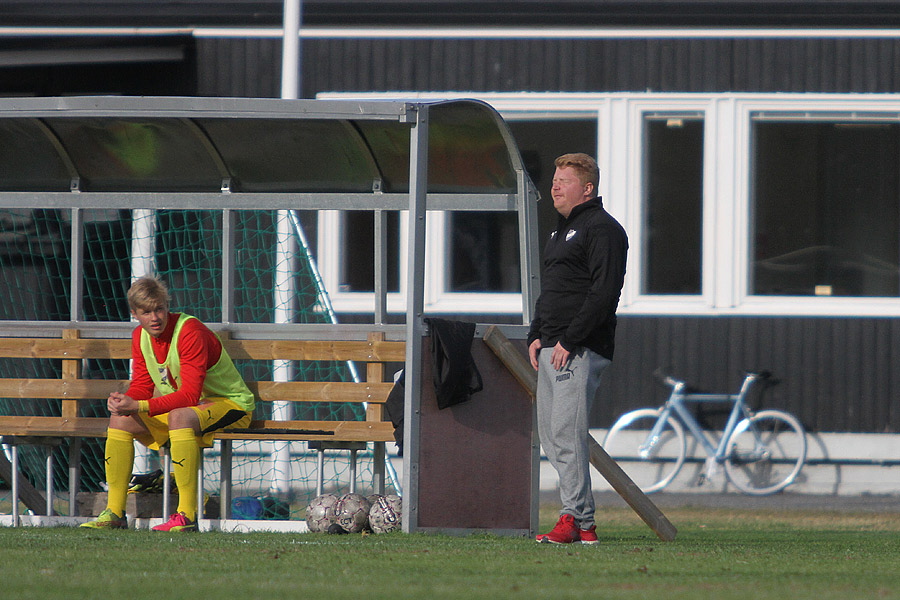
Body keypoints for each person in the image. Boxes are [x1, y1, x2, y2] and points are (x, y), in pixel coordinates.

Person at [81, 275, 255, 532]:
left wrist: (139, 406)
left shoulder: (189, 331)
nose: (155, 318)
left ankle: (187, 515)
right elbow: (142, 385)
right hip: (186, 410)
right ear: (135, 314)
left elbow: (189, 396)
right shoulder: (140, 336)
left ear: (167, 306)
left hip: (231, 406)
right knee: (119, 419)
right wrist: (125, 400)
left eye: (160, 309)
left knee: (180, 416)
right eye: (147, 312)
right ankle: (115, 513)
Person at [528, 153, 628, 544]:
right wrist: (538, 332)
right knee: (553, 437)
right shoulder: (558, 231)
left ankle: (574, 518)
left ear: (587, 188)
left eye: (564, 180)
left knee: (568, 435)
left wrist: (570, 339)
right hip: (553, 346)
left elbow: (605, 293)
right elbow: (551, 290)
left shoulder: (603, 230)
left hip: (578, 348)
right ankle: (583, 524)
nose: (555, 186)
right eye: (554, 179)